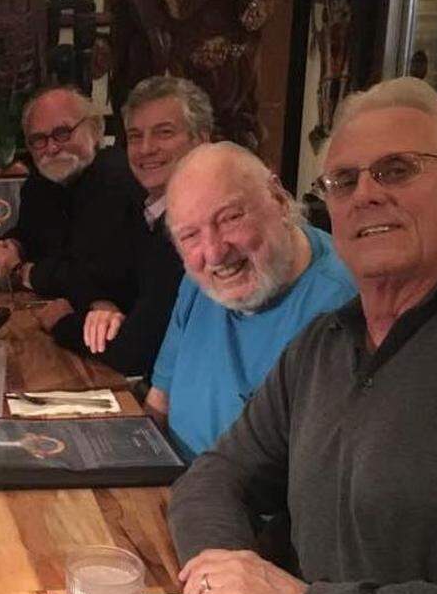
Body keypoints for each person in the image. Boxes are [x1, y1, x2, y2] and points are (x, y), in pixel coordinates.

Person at [169, 76, 437, 594]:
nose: (366, 194)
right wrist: (222, 576)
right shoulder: (325, 344)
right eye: (343, 180)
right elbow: (216, 475)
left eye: (397, 169)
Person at [147, 141, 354, 461]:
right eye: (190, 236)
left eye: (230, 218)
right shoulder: (197, 283)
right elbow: (159, 404)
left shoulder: (347, 306)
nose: (214, 253)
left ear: (278, 199)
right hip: (170, 486)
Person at [38, 76, 211, 377]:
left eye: (164, 133)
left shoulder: (198, 226)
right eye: (135, 136)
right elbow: (98, 276)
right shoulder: (149, 212)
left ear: (201, 139)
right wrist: (102, 305)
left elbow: (135, 352)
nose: (146, 149)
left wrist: (63, 323)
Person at [0, 85, 144, 315]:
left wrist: (19, 271)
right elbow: (30, 233)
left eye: (63, 133)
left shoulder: (117, 179)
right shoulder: (42, 179)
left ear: (95, 130)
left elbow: (92, 278)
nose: (52, 147)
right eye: (38, 139)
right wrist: (8, 247)